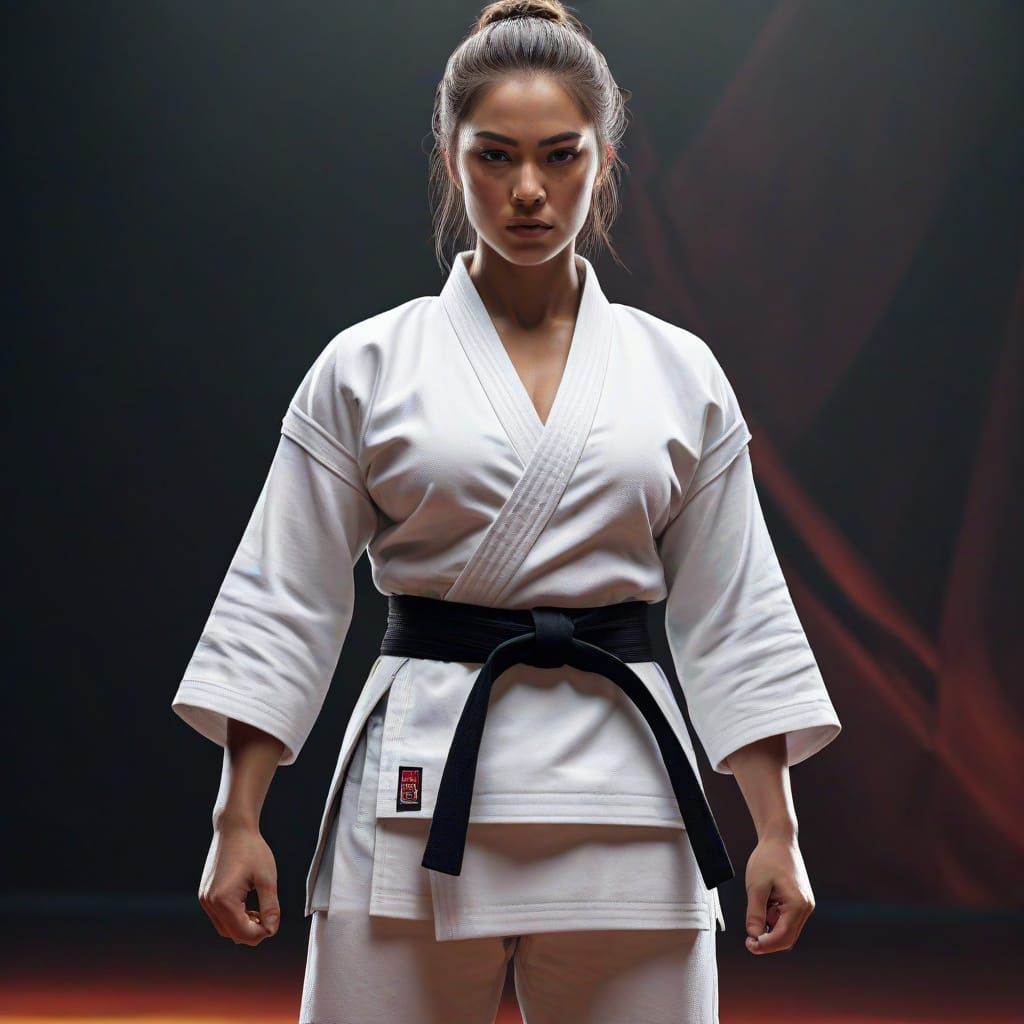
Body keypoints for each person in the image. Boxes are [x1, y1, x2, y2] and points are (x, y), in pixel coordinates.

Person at [171, 1, 842, 1020]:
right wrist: (237, 814)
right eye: (494, 156)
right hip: (417, 787)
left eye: (559, 155)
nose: (527, 190)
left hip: (627, 799)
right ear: (451, 160)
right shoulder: (366, 366)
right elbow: (288, 596)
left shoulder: (678, 372)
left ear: (604, 160)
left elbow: (732, 608)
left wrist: (776, 830)